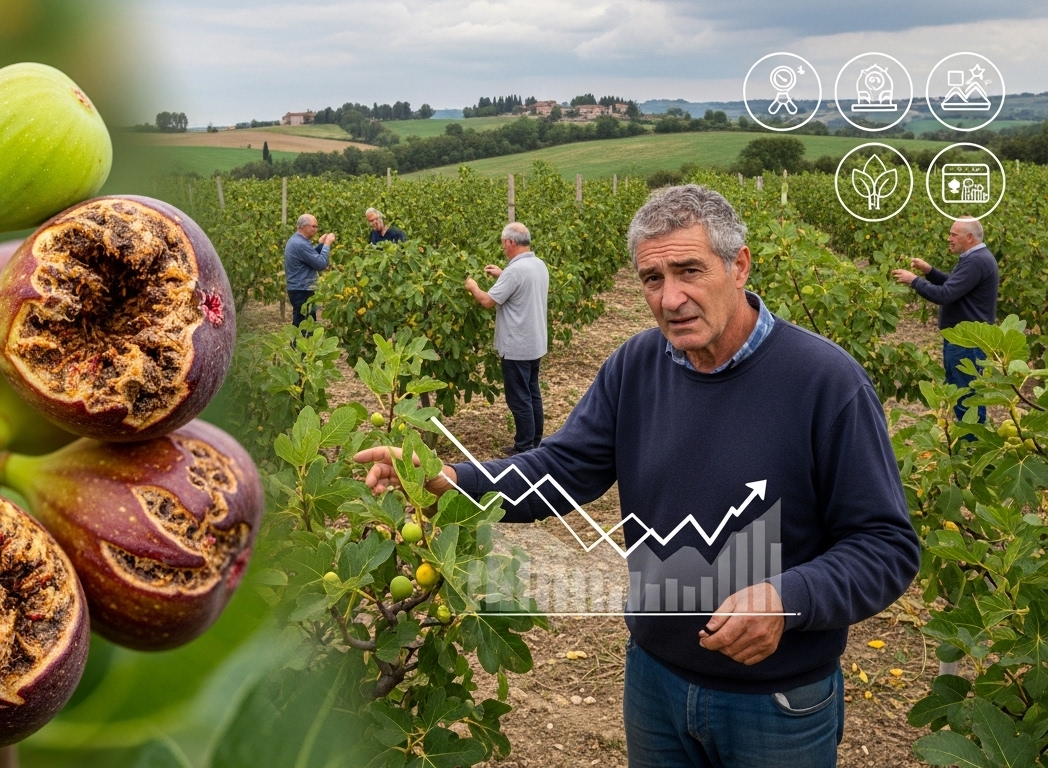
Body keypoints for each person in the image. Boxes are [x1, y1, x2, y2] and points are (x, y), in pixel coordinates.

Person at [359, 185, 919, 768]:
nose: (671, 297)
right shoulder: (635, 366)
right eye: (653, 279)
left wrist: (787, 599)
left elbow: (886, 545)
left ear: (739, 265)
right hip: (654, 683)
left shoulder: (825, 382)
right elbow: (560, 469)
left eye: (689, 270)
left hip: (776, 702)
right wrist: (447, 477)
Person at [892, 216, 998, 423]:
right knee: (961, 394)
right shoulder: (976, 258)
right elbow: (955, 286)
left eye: (953, 234)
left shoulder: (976, 261)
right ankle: (966, 443)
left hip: (968, 342)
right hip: (964, 339)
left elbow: (945, 294)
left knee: (967, 397)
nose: (948, 238)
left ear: (969, 237)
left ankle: (971, 447)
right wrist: (929, 271)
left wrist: (914, 280)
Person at [464, 222, 549, 455]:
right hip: (535, 343)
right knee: (532, 393)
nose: (503, 248)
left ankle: (524, 449)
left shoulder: (515, 271)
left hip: (516, 346)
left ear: (510, 242)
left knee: (519, 399)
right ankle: (536, 443)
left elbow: (487, 301)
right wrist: (503, 276)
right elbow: (522, 286)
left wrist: (473, 286)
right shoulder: (538, 264)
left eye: (503, 243)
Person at [284, 213, 335, 326]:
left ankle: (299, 343)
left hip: (299, 288)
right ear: (304, 226)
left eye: (316, 226)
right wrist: (327, 245)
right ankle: (300, 344)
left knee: (303, 322)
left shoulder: (298, 240)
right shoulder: (300, 243)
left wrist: (321, 245)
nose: (316, 229)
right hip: (302, 289)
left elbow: (311, 258)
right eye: (313, 226)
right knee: (305, 324)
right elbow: (320, 264)